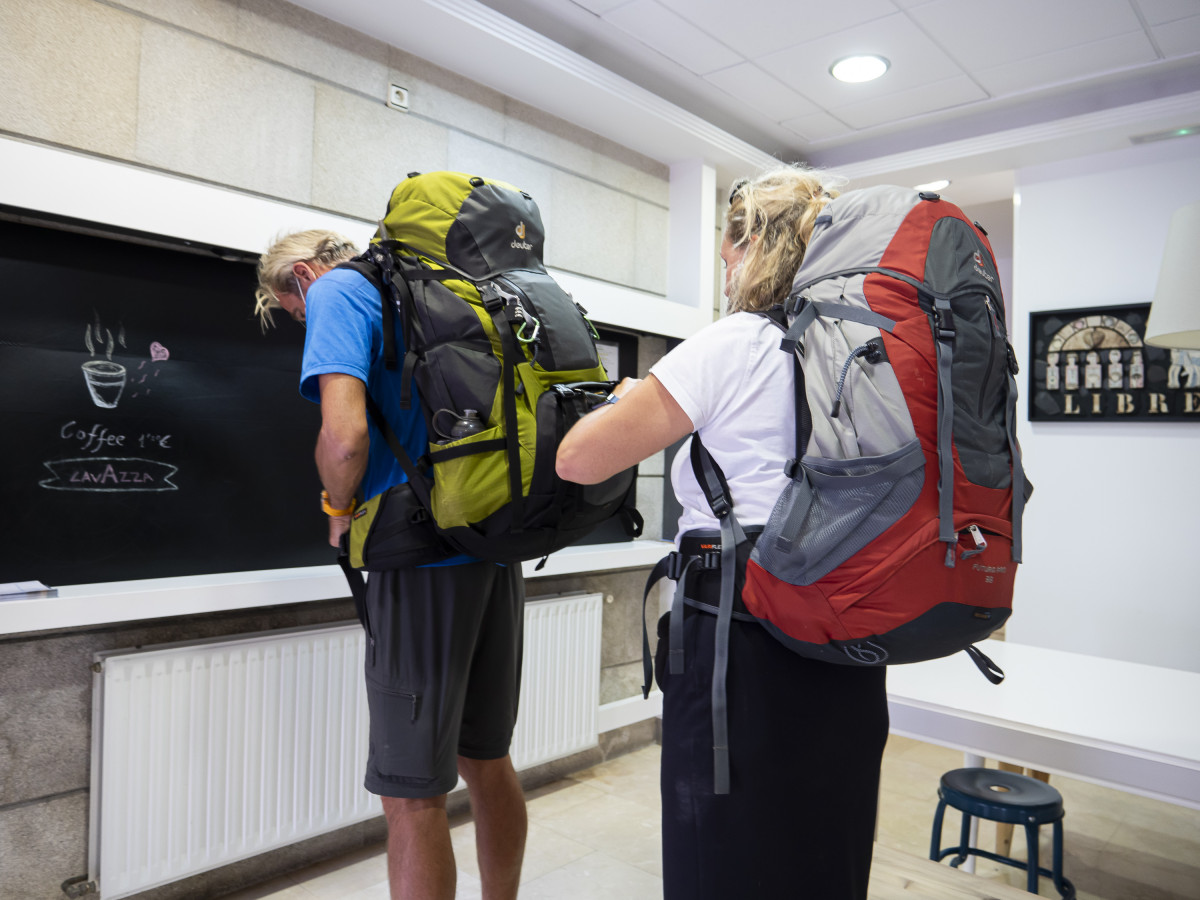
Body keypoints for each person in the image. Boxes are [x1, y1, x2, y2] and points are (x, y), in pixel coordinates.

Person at [556, 166, 890, 899]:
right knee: (827, 836)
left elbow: (579, 459)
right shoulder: (873, 352)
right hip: (851, 626)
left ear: (757, 249)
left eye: (729, 249)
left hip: (742, 626)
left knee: (727, 844)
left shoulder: (735, 342)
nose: (724, 264)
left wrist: (634, 402)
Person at [256, 230, 528, 900]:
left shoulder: (339, 291)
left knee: (411, 795)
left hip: (416, 556)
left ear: (301, 275)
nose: (302, 322)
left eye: (292, 313)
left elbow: (344, 436)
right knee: (488, 762)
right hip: (490, 541)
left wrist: (336, 507)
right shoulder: (430, 293)